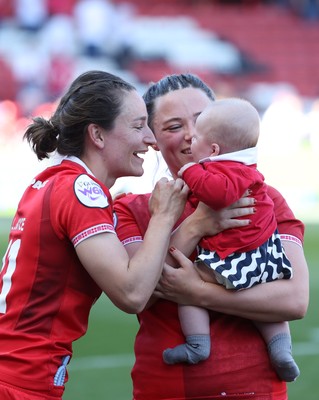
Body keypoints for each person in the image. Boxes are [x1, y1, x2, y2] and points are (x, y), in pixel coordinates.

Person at [113, 73, 309, 400]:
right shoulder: (132, 210)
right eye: (174, 127)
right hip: (166, 388)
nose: (192, 136)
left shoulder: (265, 199)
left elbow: (294, 300)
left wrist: (198, 291)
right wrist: (196, 225)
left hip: (256, 389)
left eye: (201, 121)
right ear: (154, 140)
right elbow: (139, 294)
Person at [0, 70, 190, 400]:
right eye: (137, 125)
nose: (151, 138)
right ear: (97, 136)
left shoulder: (53, 180)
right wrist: (164, 216)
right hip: (19, 380)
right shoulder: (80, 188)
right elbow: (132, 294)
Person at [162, 97, 299, 382]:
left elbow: (218, 194)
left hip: (234, 260)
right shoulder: (246, 167)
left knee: (188, 288)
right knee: (266, 307)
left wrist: (190, 170)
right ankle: (281, 349)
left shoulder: (222, 171)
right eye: (175, 126)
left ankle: (198, 344)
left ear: (213, 149)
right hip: (262, 258)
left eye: (196, 131)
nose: (189, 136)